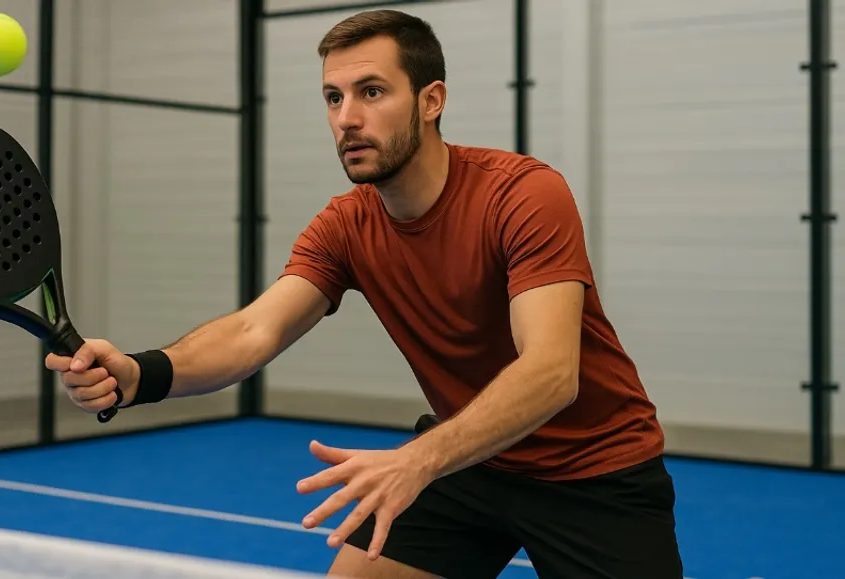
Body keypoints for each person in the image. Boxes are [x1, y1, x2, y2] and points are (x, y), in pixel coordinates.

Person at [45, 9, 684, 579]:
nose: (346, 118)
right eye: (332, 97)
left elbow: (550, 372)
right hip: (467, 466)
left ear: (430, 100)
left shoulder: (522, 194)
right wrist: (140, 372)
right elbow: (252, 332)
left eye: (371, 92)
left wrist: (419, 461)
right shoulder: (345, 224)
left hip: (593, 473)